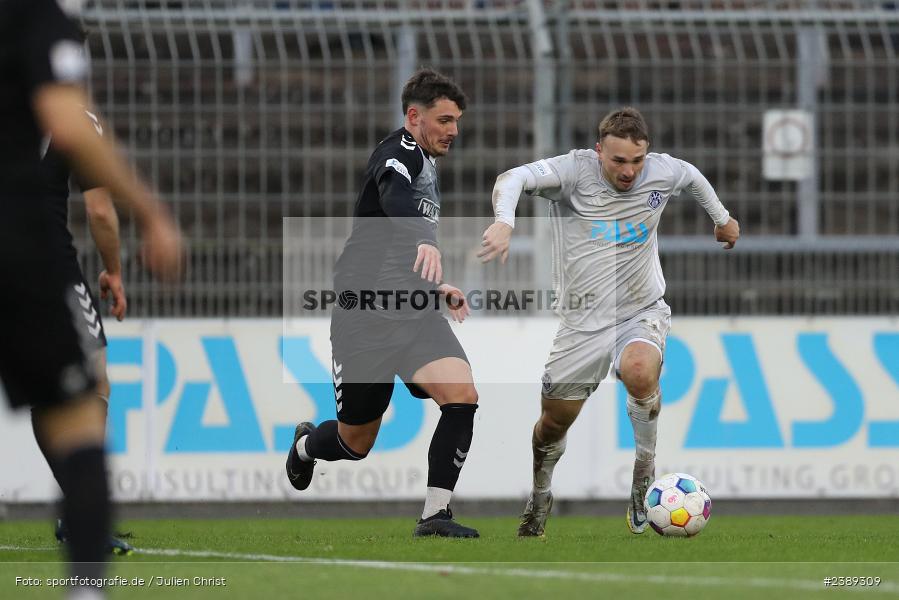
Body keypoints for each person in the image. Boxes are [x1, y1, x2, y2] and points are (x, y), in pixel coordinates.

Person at [478, 107, 740, 537]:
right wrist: (505, 222)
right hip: (582, 322)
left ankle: (643, 475)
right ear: (600, 151)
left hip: (641, 309)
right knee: (552, 425)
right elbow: (511, 179)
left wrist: (722, 219)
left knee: (639, 371)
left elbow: (691, 176)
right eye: (618, 161)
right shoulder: (572, 172)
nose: (629, 171)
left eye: (637, 161)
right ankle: (539, 497)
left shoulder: (661, 172)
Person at [0, 0, 182, 595]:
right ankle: (85, 574)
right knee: (84, 401)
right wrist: (147, 224)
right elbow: (99, 207)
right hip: (31, 254)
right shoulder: (37, 23)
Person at [286, 69, 480, 538]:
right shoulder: (398, 153)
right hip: (363, 318)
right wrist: (424, 241)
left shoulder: (428, 162)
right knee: (355, 443)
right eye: (445, 119)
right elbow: (394, 199)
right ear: (414, 117)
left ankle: (435, 515)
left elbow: (391, 248)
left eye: (457, 121)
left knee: (462, 395)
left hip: (413, 311)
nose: (453, 130)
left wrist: (434, 286)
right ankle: (305, 447)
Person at [35, 104, 133, 555]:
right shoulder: (73, 116)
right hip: (43, 263)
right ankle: (83, 510)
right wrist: (113, 270)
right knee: (91, 376)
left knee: (45, 387)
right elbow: (99, 210)